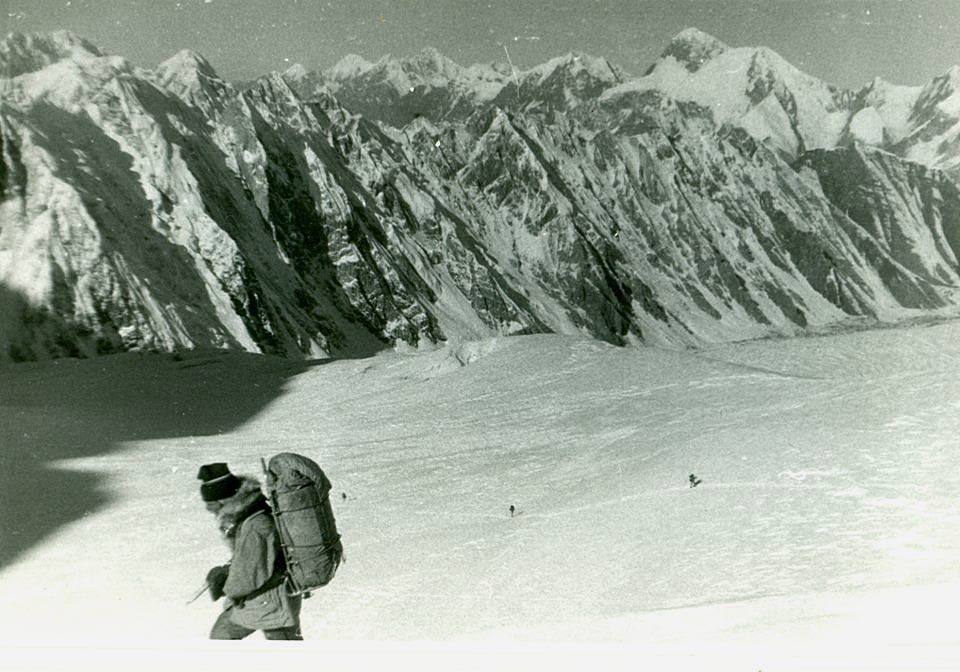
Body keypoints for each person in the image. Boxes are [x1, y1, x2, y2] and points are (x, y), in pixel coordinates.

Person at [197, 462, 303, 640]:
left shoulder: (255, 525)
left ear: (223, 500)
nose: (211, 512)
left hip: (271, 601)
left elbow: (250, 574)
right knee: (222, 634)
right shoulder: (248, 516)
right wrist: (227, 571)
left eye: (212, 506)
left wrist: (226, 585)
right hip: (266, 599)